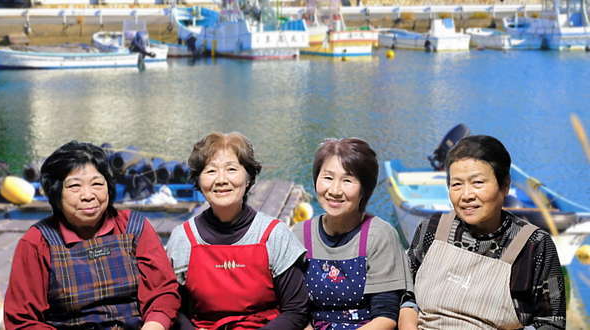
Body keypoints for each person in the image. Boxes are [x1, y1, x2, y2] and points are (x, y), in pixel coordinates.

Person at [4, 141, 181, 329]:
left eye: (97, 183)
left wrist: (154, 325)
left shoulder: (134, 227)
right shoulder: (37, 242)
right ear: (56, 192)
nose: (88, 195)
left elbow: (162, 292)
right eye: (74, 186)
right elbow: (23, 320)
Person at [399, 135, 566, 329]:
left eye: (477, 183)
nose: (467, 195)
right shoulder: (432, 229)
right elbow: (405, 292)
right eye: (456, 184)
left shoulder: (534, 245)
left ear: (504, 186)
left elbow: (552, 323)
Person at [166, 132, 309, 329]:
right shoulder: (183, 238)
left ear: (249, 177)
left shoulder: (274, 235)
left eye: (231, 169)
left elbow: (296, 310)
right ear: (199, 181)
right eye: (211, 171)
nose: (221, 179)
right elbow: (171, 307)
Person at [293, 138, 411, 329]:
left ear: (364, 189)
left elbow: (386, 317)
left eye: (347, 180)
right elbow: (295, 308)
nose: (335, 190)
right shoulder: (299, 234)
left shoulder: (379, 235)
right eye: (328, 178)